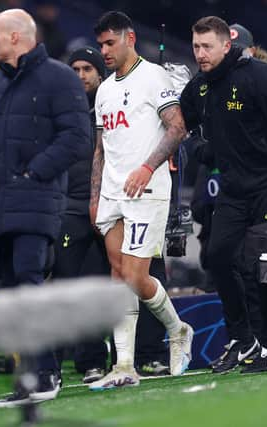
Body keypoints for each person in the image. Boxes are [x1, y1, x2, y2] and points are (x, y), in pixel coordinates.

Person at [0, 9, 90, 407]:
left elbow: (78, 137)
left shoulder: (59, 77)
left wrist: (34, 173)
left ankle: (45, 373)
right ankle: (29, 377)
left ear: (16, 37)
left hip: (38, 199)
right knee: (12, 291)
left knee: (28, 283)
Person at [180, 16, 267, 374]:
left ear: (226, 46)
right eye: (195, 46)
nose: (200, 54)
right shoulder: (200, 86)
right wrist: (199, 148)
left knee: (263, 269)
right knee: (217, 257)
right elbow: (182, 122)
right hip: (234, 190)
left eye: (207, 47)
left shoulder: (261, 77)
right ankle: (243, 338)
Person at [88, 11, 194, 391]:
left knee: (135, 276)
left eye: (109, 43)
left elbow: (178, 127)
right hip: (113, 192)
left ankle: (177, 328)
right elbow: (100, 147)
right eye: (100, 44)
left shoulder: (153, 77)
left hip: (146, 189)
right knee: (118, 278)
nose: (104, 51)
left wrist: (147, 168)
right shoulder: (103, 89)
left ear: (130, 38)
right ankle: (125, 365)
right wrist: (95, 195)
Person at [58, 46, 169, 384]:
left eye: (87, 69)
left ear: (99, 72)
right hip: (79, 206)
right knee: (90, 286)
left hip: (128, 199)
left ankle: (149, 355)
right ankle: (92, 359)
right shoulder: (61, 110)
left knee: (142, 274)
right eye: (74, 69)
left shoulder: (121, 99)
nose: (81, 76)